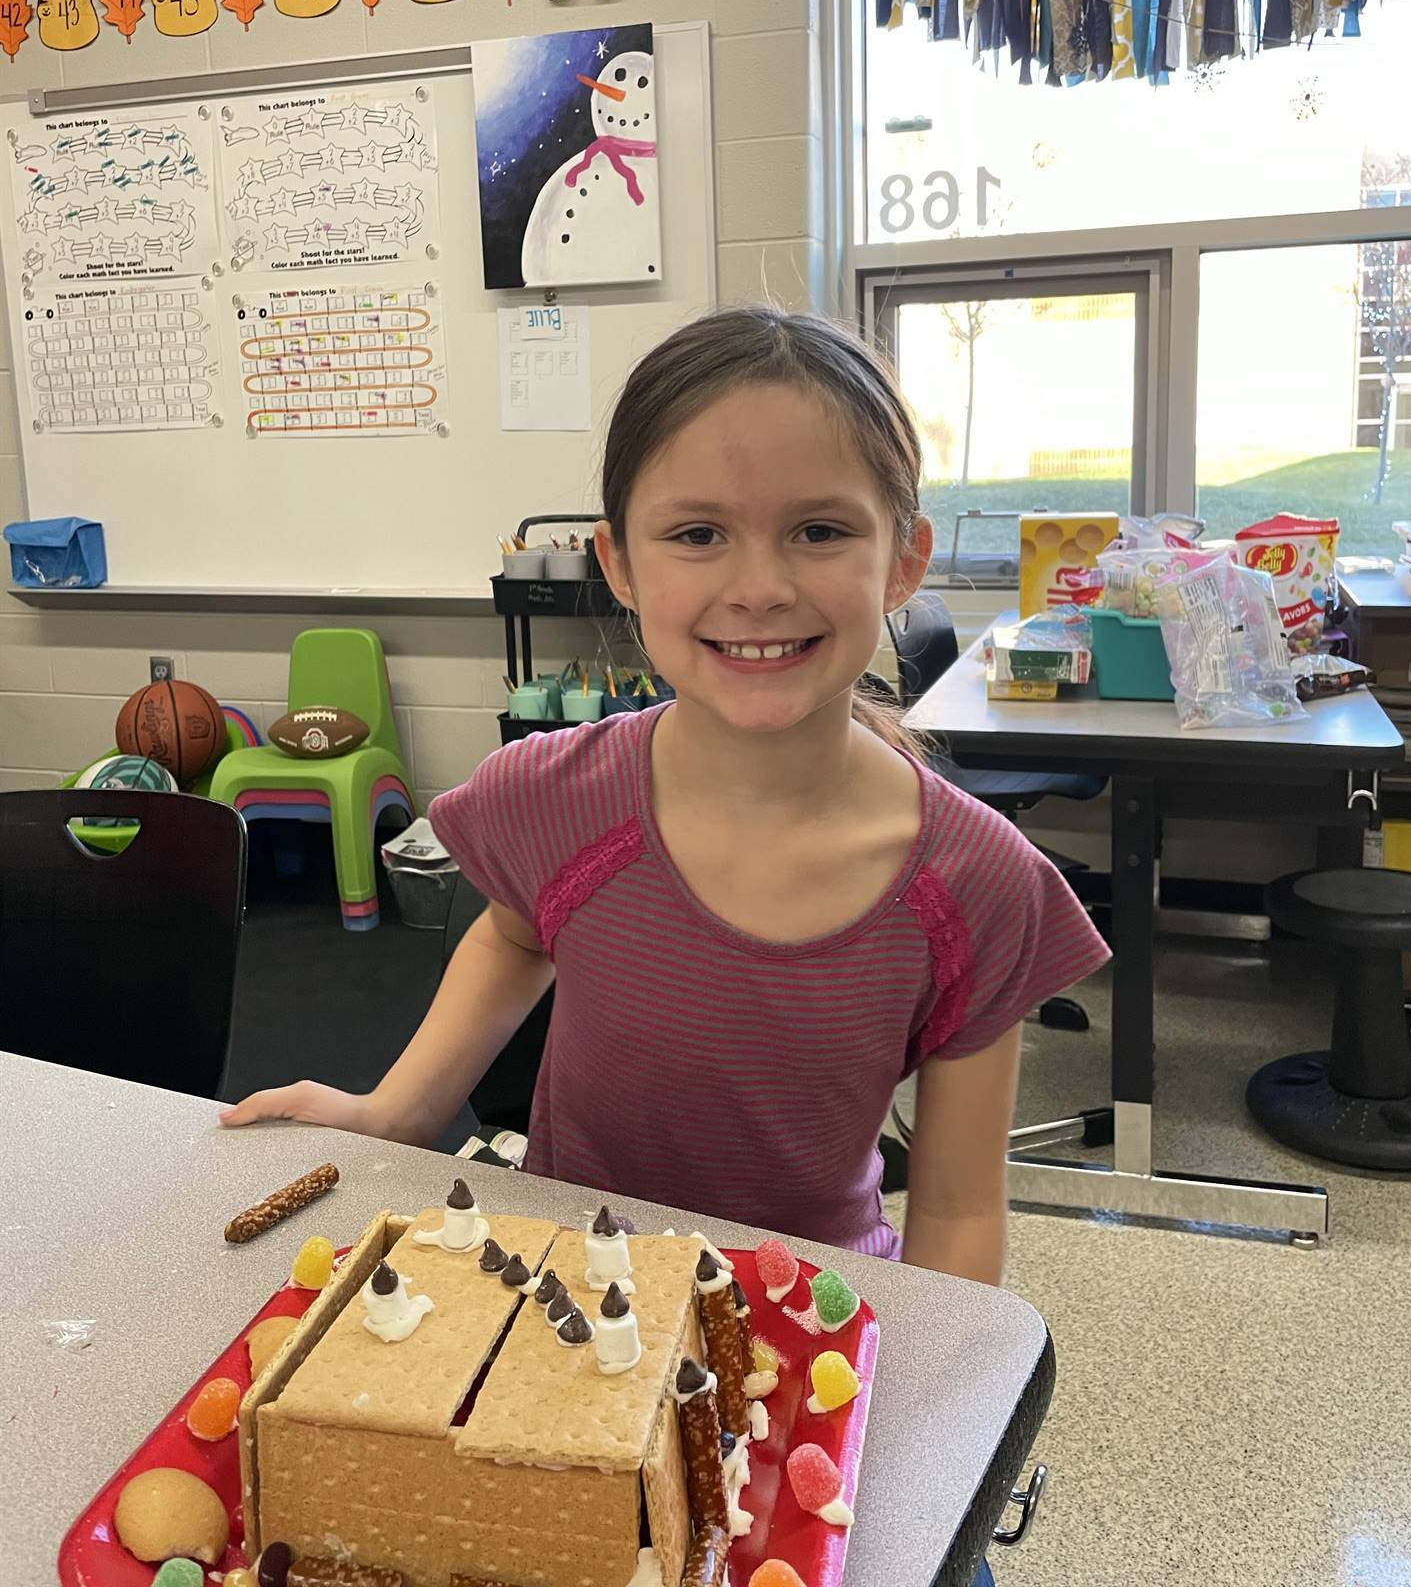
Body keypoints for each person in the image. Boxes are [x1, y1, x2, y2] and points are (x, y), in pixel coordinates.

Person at [220, 308, 1109, 1293]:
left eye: (819, 530)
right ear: (621, 565)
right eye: (697, 533)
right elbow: (518, 936)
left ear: (902, 559)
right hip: (573, 1292)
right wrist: (398, 1113)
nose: (760, 586)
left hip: (807, 1318)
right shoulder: (553, 798)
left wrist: (930, 1401)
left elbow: (956, 1208)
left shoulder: (980, 884)